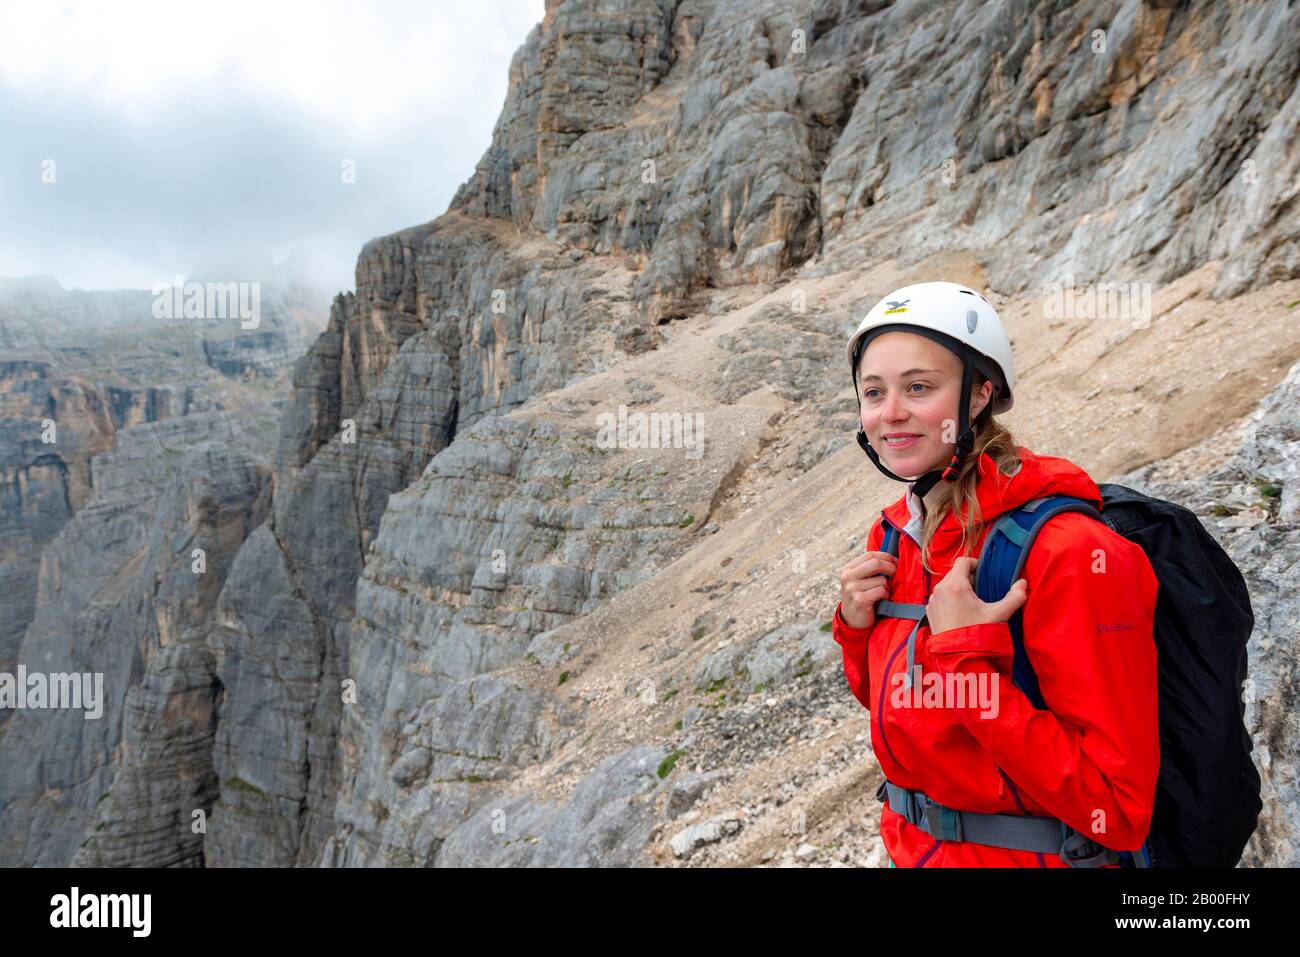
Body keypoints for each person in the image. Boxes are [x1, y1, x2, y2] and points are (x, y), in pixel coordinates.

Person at [832, 280, 1160, 868]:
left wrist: (964, 659)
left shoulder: (1067, 550)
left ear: (981, 394)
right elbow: (902, 713)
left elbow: (1116, 806)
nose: (891, 413)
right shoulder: (898, 537)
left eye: (919, 387)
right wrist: (857, 630)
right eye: (873, 391)